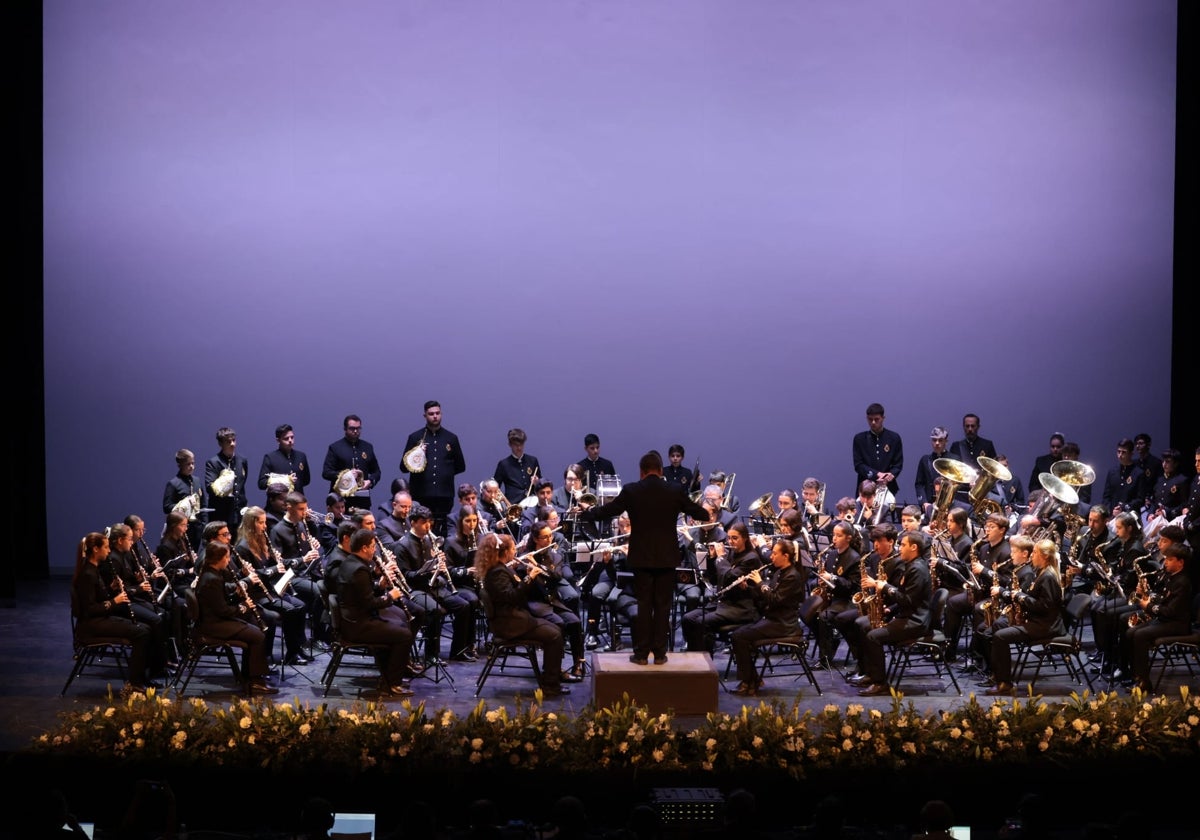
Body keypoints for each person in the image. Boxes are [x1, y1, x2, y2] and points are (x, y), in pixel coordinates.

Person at [578, 450, 711, 665]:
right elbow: (698, 513)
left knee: (643, 605)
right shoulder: (674, 490)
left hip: (641, 558)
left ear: (641, 472)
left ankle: (641, 654)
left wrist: (587, 512)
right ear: (660, 471)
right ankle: (659, 654)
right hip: (667, 558)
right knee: (662, 606)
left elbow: (609, 510)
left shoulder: (632, 491)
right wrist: (706, 512)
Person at [476, 532, 570, 696]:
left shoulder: (502, 569)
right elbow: (512, 597)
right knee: (555, 635)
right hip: (509, 624)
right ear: (505, 552)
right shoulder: (497, 572)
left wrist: (529, 576)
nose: (516, 551)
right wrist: (529, 578)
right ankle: (550, 684)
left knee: (557, 627)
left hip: (515, 618)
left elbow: (515, 592)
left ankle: (550, 675)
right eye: (513, 548)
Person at [850, 530, 932, 696]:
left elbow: (908, 600)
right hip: (906, 616)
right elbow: (906, 599)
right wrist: (889, 609)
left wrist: (885, 587)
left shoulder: (917, 569)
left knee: (874, 636)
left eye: (903, 545)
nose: (899, 548)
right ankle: (871, 674)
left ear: (914, 547)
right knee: (866, 627)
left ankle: (880, 683)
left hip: (915, 622)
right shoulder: (911, 566)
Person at [336, 528, 417, 697]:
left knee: (399, 624)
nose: (375, 550)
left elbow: (361, 592)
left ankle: (387, 678)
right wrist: (390, 596)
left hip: (353, 619)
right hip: (358, 625)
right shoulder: (359, 569)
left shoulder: (351, 562)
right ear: (364, 548)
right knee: (404, 635)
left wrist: (378, 583)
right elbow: (369, 603)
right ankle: (392, 683)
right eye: (373, 546)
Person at [72, 531, 155, 692]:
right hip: (91, 625)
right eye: (106, 547)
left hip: (100, 619)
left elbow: (98, 597)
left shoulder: (94, 569)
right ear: (96, 549)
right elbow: (89, 609)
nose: (109, 551)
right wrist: (114, 601)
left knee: (146, 628)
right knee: (141, 633)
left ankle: (141, 677)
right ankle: (134, 683)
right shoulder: (88, 574)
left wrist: (112, 589)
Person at [392, 506, 477, 663]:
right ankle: (432, 654)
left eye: (429, 522)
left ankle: (458, 651)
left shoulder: (429, 540)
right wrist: (424, 571)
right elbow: (404, 576)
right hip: (414, 590)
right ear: (413, 523)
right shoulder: (402, 545)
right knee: (435, 611)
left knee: (463, 606)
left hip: (434, 585)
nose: (428, 526)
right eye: (423, 523)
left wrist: (439, 565)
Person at [194, 540, 278, 694]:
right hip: (213, 625)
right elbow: (223, 611)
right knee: (258, 635)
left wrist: (236, 592)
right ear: (217, 559)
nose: (228, 561)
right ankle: (255, 681)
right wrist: (244, 607)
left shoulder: (212, 574)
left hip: (216, 621)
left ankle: (249, 676)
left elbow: (221, 596)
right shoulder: (211, 579)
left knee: (255, 632)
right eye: (226, 558)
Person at [984, 537, 1066, 694]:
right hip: (1038, 621)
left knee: (1001, 636)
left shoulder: (1048, 577)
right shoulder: (1041, 572)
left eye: (1035, 552)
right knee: (999, 631)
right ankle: (999, 676)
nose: (1032, 556)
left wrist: (1019, 597)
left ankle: (1004, 682)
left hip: (1045, 626)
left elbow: (1044, 606)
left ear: (1045, 556)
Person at [729, 538, 807, 696]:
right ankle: (752, 679)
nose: (771, 557)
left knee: (739, 637)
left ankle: (749, 681)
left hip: (784, 624)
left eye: (774, 553)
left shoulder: (793, 576)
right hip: (773, 620)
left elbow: (774, 599)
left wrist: (759, 583)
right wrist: (748, 587)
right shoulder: (779, 572)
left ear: (785, 556)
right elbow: (765, 596)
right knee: (739, 635)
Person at [235, 506, 311, 666]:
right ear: (251, 524)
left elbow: (276, 565)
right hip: (256, 593)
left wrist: (278, 560)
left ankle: (295, 649)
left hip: (271, 589)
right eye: (261, 523)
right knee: (290, 610)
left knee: (301, 606)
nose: (265, 526)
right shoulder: (243, 547)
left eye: (264, 522)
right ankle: (273, 655)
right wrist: (274, 568)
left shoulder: (262, 539)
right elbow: (252, 573)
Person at [1119, 543, 1193, 692]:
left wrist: (1148, 606)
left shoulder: (1183, 583)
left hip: (1178, 624)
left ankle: (1144, 683)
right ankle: (1135, 675)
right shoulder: (1170, 577)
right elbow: (1162, 599)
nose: (1165, 562)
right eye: (1166, 559)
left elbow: (1171, 611)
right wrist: (1148, 597)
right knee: (1130, 632)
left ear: (1180, 562)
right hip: (1165, 620)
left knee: (1140, 635)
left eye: (1170, 559)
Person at [681, 521, 762, 654]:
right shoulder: (730, 554)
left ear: (745, 538)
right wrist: (713, 559)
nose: (730, 541)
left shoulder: (751, 558)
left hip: (741, 607)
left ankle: (705, 664)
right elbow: (713, 579)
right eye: (729, 538)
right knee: (687, 619)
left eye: (735, 538)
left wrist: (720, 558)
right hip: (723, 603)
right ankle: (694, 657)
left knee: (701, 622)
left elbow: (729, 577)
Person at [401, 400, 467, 539]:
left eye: (437, 413)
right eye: (431, 414)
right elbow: (403, 467)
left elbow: (461, 466)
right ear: (425, 415)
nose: (435, 416)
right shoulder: (415, 437)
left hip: (444, 495)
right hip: (421, 494)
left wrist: (445, 473)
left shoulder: (451, 438)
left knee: (442, 531)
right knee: (421, 529)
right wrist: (415, 455)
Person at [322, 414, 381, 512]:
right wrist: (346, 475)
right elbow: (326, 473)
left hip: (362, 500)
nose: (355, 431)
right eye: (352, 428)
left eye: (358, 428)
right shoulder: (335, 448)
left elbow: (377, 472)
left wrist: (370, 481)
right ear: (345, 429)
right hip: (341, 501)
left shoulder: (367, 447)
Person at [852, 402, 903, 499]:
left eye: (876, 419)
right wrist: (877, 475)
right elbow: (858, 465)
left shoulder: (894, 438)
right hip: (865, 487)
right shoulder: (859, 439)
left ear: (883, 418)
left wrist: (890, 475)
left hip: (888, 486)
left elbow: (898, 464)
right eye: (870, 419)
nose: (873, 422)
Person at [204, 426, 249, 534]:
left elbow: (241, 484)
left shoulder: (242, 460)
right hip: (222, 514)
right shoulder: (213, 462)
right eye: (228, 442)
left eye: (234, 440)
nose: (232, 444)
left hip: (239, 513)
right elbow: (210, 488)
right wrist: (224, 482)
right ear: (221, 444)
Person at [162, 447, 206, 548]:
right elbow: (167, 506)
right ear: (179, 465)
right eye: (188, 464)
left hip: (197, 528)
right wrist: (184, 505)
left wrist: (203, 524)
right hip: (182, 530)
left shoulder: (197, 481)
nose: (191, 466)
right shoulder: (173, 484)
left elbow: (203, 504)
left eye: (193, 463)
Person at [257, 423, 312, 502]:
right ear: (278, 440)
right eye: (286, 438)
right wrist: (285, 480)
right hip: (278, 504)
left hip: (297, 504)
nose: (290, 440)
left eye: (292, 437)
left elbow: (306, 480)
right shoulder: (270, 457)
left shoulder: (301, 456)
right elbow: (261, 483)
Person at [493, 427, 541, 506]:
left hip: (532, 503)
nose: (519, 448)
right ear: (510, 445)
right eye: (516, 445)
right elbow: (495, 488)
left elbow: (541, 485)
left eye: (521, 444)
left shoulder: (533, 460)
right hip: (513, 504)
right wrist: (503, 502)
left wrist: (537, 482)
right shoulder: (503, 464)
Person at [1101, 439, 1149, 517]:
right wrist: (1108, 512)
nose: (1120, 455)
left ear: (1131, 453)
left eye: (1124, 452)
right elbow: (1106, 496)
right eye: (1118, 451)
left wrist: (1123, 508)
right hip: (1112, 516)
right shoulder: (1112, 472)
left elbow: (1140, 499)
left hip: (1130, 517)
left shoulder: (1138, 473)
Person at [914, 427, 950, 509]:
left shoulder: (953, 459)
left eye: (940, 440)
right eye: (934, 440)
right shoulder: (925, 460)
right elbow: (919, 484)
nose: (937, 443)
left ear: (946, 441)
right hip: (929, 504)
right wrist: (924, 502)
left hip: (949, 504)